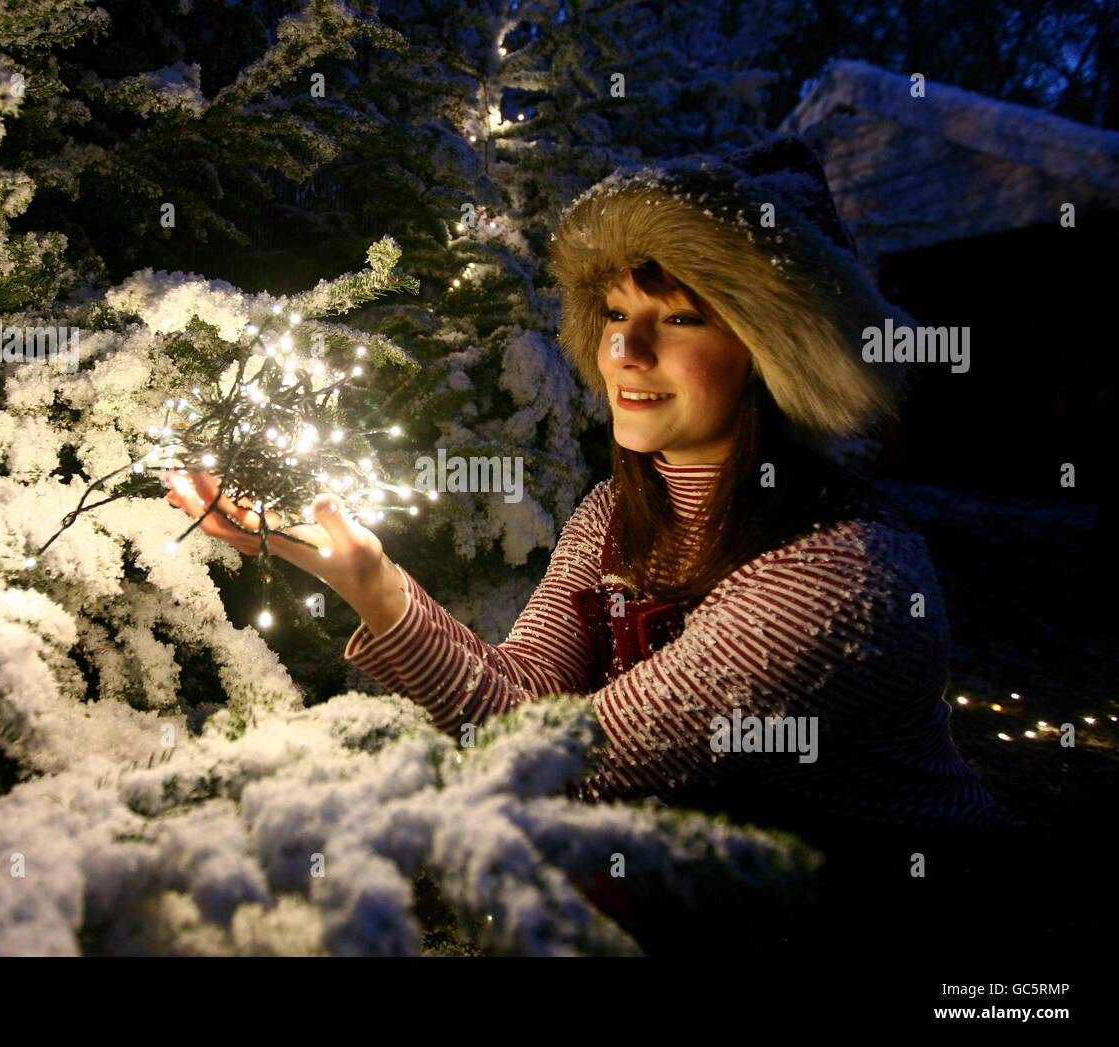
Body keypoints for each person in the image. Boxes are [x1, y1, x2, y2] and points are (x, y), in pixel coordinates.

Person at [163, 136, 1023, 949]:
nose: (626, 348)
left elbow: (557, 764)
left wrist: (377, 594)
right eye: (614, 311)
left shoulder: (836, 576)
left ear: (773, 352)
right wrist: (369, 577)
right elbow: (527, 693)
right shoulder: (616, 510)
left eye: (681, 319)